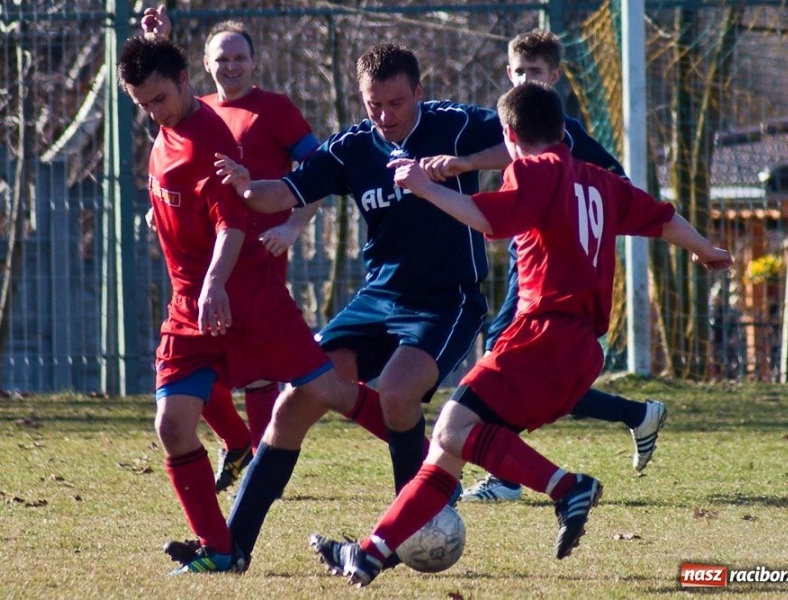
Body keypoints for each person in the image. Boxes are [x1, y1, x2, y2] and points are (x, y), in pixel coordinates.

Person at [309, 81, 733, 586]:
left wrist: (424, 186)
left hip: (541, 335)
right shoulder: (598, 180)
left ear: (509, 135)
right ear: (560, 131)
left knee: (450, 429)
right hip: (581, 350)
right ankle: (369, 554)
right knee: (447, 450)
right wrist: (706, 249)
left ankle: (566, 487)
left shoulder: (534, 169)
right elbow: (664, 219)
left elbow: (488, 219)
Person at [212, 41, 508, 567]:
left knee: (396, 393)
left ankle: (402, 532)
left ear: (418, 92)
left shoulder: (455, 123)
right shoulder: (352, 147)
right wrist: (245, 186)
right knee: (293, 402)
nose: (385, 116)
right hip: (378, 299)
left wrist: (464, 163)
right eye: (374, 104)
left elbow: (526, 145)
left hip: (446, 301)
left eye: (396, 103)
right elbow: (285, 192)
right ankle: (232, 548)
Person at [118, 34, 383, 576]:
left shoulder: (211, 141)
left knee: (330, 391)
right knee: (172, 424)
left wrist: (220, 279)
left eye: (159, 99)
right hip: (191, 307)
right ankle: (219, 550)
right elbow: (162, 85)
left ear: (185, 83)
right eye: (143, 103)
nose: (153, 112)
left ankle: (432, 456)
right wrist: (155, 36)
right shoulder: (173, 117)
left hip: (251, 301)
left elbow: (232, 223)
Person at [461, 29, 667, 502]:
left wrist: (460, 164)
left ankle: (506, 478)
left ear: (555, 76)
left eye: (535, 72)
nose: (526, 80)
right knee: (539, 375)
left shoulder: (557, 128)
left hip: (555, 266)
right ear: (507, 73)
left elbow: (609, 182)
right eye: (519, 72)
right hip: (528, 256)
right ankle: (636, 415)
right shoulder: (515, 117)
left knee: (507, 358)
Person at [141, 6, 322, 495]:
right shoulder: (194, 110)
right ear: (204, 65)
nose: (232, 66)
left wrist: (293, 224)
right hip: (204, 267)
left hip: (257, 255)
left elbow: (320, 172)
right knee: (197, 364)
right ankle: (239, 443)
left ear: (254, 62)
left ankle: (263, 469)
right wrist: (162, 209)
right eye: (222, 58)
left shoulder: (275, 110)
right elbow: (173, 160)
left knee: (258, 369)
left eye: (240, 57)